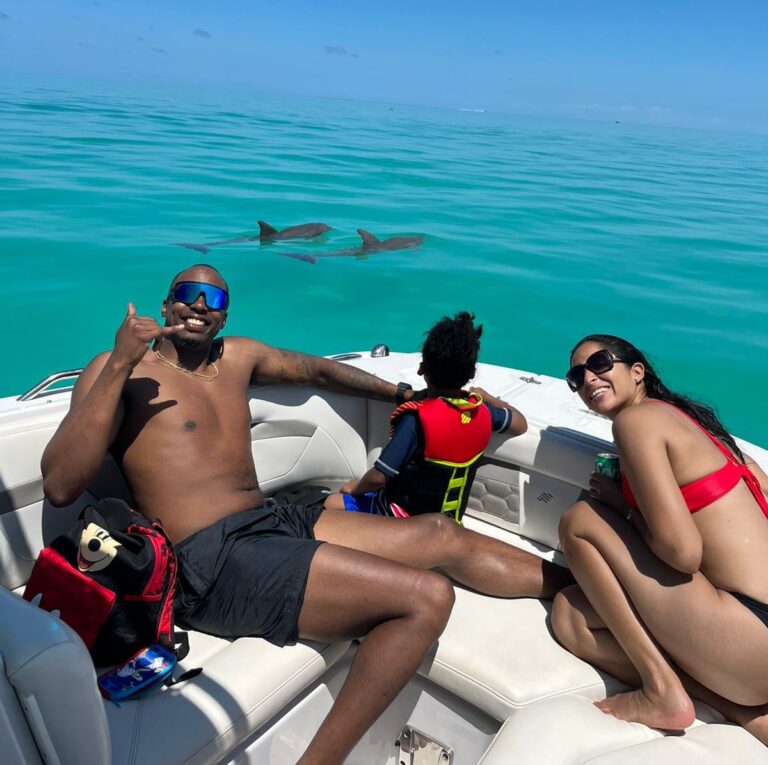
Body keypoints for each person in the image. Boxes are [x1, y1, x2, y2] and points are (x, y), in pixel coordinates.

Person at [41, 264, 572, 765]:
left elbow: (313, 369)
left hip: (270, 520)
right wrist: (118, 361)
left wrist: (405, 393)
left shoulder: (239, 357)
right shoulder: (126, 371)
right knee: (425, 598)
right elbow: (62, 484)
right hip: (207, 559)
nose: (199, 304)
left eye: (215, 298)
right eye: (187, 293)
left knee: (439, 532)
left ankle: (583, 588)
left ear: (225, 314)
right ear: (166, 303)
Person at [551, 334, 768, 745]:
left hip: (751, 636)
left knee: (581, 520)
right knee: (571, 617)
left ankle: (660, 690)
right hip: (752, 638)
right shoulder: (699, 425)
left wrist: (622, 505)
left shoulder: (636, 422)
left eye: (599, 363)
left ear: (637, 372)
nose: (587, 379)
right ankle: (741, 710)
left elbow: (682, 553)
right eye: (575, 376)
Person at [324, 311, 527, 521]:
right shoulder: (483, 413)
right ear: (471, 373)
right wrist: (486, 397)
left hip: (401, 520)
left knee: (330, 502)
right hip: (447, 523)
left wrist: (354, 488)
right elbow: (520, 423)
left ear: (422, 369)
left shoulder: (416, 420)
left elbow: (378, 477)